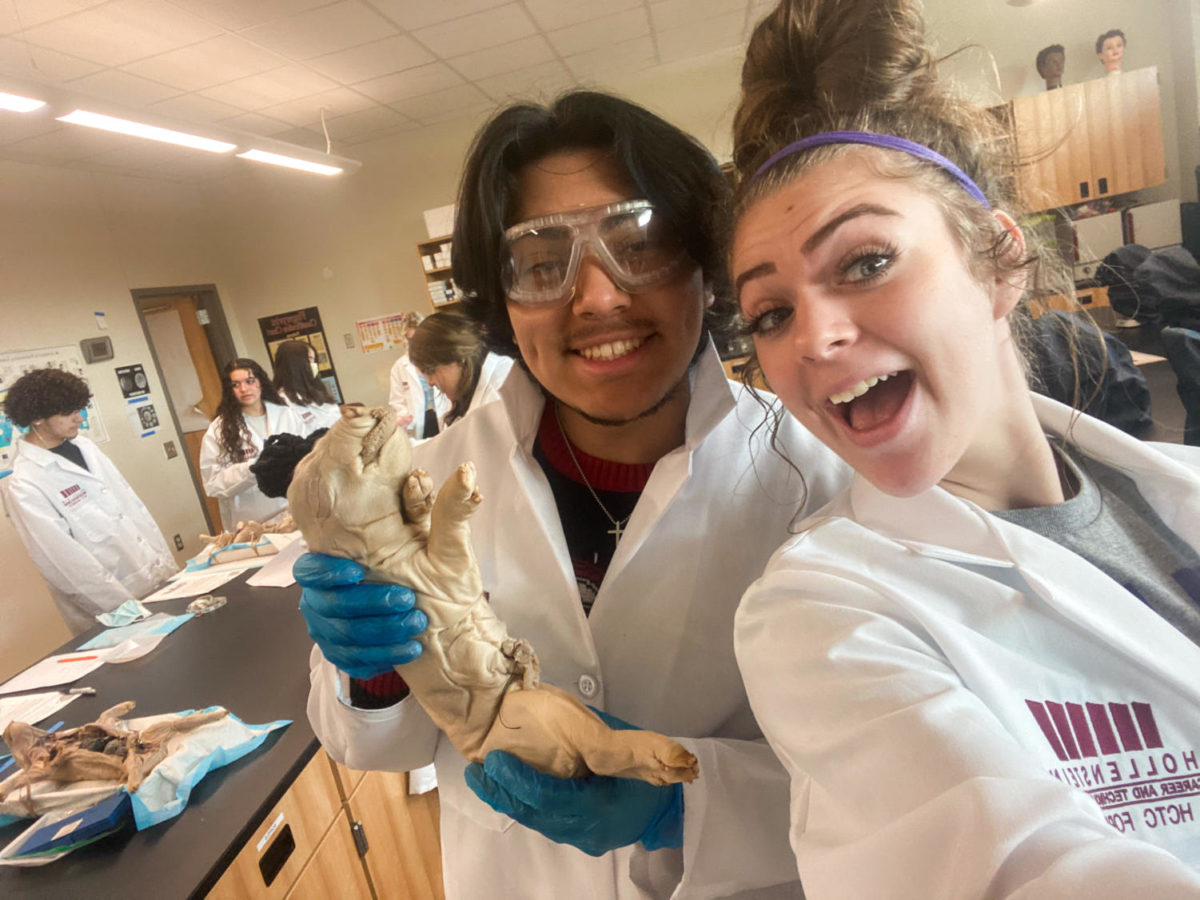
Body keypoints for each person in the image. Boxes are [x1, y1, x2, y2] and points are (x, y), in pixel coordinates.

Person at [299, 91, 848, 898]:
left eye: (641, 245)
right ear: (503, 305)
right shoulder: (422, 477)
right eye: (543, 265)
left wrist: (688, 806)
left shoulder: (820, 478)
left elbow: (881, 783)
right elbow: (379, 748)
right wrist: (370, 672)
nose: (596, 298)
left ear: (706, 265)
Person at [726, 0, 1200, 896]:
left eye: (864, 262)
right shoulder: (817, 612)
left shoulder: (1186, 493)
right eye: (771, 313)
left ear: (998, 258)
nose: (813, 339)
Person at [2, 368, 175, 634]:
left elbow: (131, 510)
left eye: (80, 409)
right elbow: (63, 563)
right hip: (114, 608)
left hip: (157, 577)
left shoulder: (85, 447)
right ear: (37, 418)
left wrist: (167, 569)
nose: (79, 418)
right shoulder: (24, 483)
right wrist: (126, 611)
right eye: (68, 412)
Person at [199, 358, 303, 529]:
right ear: (229, 390)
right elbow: (212, 485)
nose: (244, 389)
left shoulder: (287, 415)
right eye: (236, 384)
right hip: (253, 522)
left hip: (296, 511)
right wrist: (254, 468)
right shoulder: (219, 430)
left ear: (260, 382)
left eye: (249, 381)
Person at [407, 310, 512, 427]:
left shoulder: (500, 388)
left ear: (458, 356)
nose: (430, 382)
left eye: (431, 371)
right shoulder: (463, 392)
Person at [388, 311, 448, 439]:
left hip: (444, 417)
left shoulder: (440, 358)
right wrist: (406, 418)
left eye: (419, 338)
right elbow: (396, 401)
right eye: (411, 340)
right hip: (418, 424)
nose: (416, 344)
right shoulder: (399, 367)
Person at [271, 339, 341, 434]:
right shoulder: (282, 402)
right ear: (294, 364)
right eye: (309, 360)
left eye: (314, 360)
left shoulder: (316, 390)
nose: (314, 365)